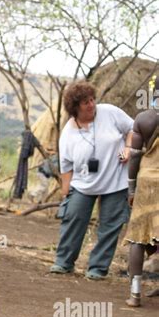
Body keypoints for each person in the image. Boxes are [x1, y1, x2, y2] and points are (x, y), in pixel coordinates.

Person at [50, 82, 134, 279]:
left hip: (115, 180)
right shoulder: (68, 133)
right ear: (75, 107)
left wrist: (129, 147)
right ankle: (64, 262)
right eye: (85, 102)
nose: (91, 104)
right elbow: (67, 167)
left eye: (92, 99)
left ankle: (97, 268)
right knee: (73, 220)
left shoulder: (110, 112)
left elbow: (132, 128)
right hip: (82, 183)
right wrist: (66, 194)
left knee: (109, 226)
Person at [124, 81, 158, 307]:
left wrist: (131, 188)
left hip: (146, 182)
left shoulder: (144, 119)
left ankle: (135, 294)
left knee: (138, 237)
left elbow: (134, 156)